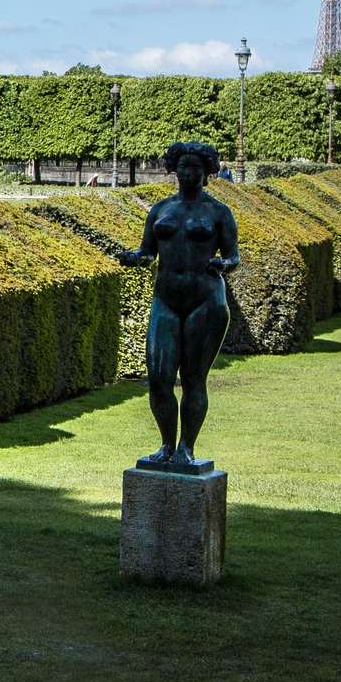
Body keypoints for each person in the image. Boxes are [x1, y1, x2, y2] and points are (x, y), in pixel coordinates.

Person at [116, 141, 240, 472]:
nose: (188, 173)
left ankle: (186, 448)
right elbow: (148, 251)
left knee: (194, 379)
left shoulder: (218, 212)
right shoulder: (160, 210)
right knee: (159, 378)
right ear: (174, 169)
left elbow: (233, 256)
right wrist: (135, 257)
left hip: (206, 300)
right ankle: (166, 445)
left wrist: (224, 264)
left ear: (207, 172)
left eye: (195, 168)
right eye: (183, 166)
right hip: (166, 300)